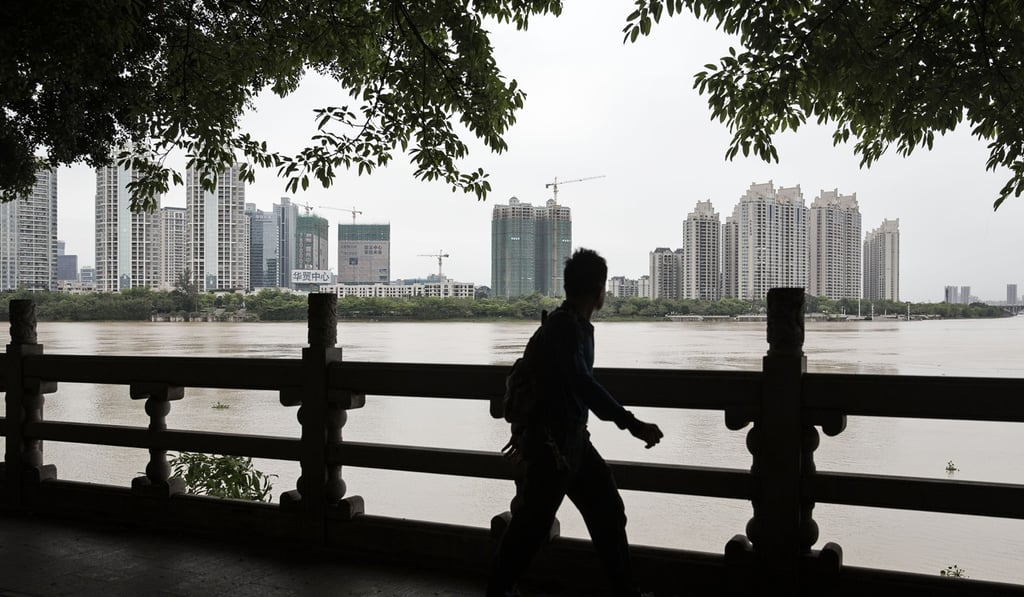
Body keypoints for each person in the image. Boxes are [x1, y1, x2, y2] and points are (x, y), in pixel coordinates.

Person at [488, 248, 664, 597]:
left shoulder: (565, 323)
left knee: (605, 512)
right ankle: (498, 590)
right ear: (600, 291)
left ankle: (624, 590)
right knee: (534, 525)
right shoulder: (566, 328)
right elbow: (582, 383)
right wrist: (631, 423)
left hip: (569, 443)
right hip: (554, 446)